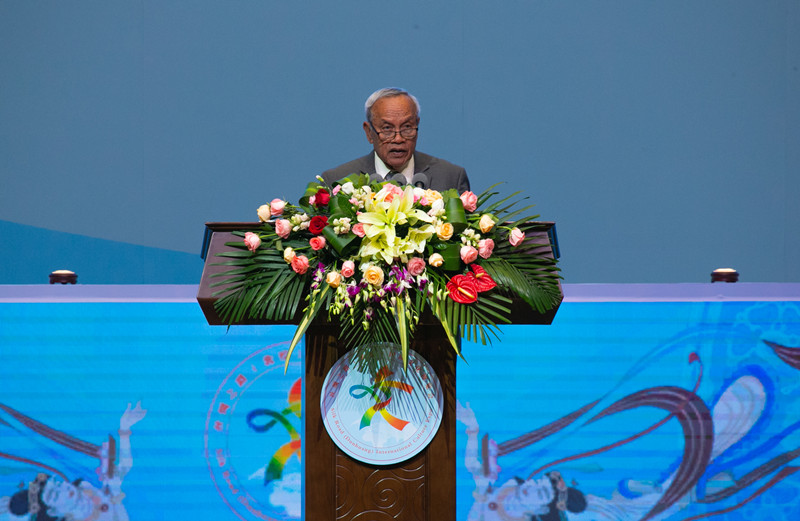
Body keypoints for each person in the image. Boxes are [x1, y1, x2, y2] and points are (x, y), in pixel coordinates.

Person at [1, 402, 146, 521]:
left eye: (60, 487)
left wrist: (124, 429)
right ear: (54, 511)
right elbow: (123, 468)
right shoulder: (100, 493)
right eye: (55, 495)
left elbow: (123, 469)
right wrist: (124, 431)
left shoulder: (92, 493)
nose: (66, 489)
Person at [320, 87, 471, 193]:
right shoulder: (336, 181)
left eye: (407, 127)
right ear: (369, 132)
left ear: (417, 125)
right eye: (387, 129)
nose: (398, 139)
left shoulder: (451, 177)